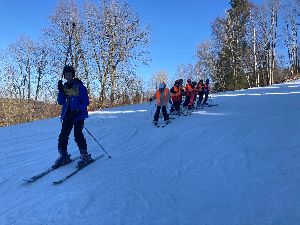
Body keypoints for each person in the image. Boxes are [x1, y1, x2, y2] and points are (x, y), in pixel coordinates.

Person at [55, 65, 92, 169]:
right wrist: (61, 90)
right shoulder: (65, 86)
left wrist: (78, 110)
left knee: (77, 134)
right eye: (66, 74)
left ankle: (85, 155)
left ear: (73, 75)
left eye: (69, 74)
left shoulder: (79, 86)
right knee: (63, 135)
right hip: (67, 115)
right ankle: (64, 155)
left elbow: (85, 101)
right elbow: (60, 101)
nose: (67, 76)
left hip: (78, 115)